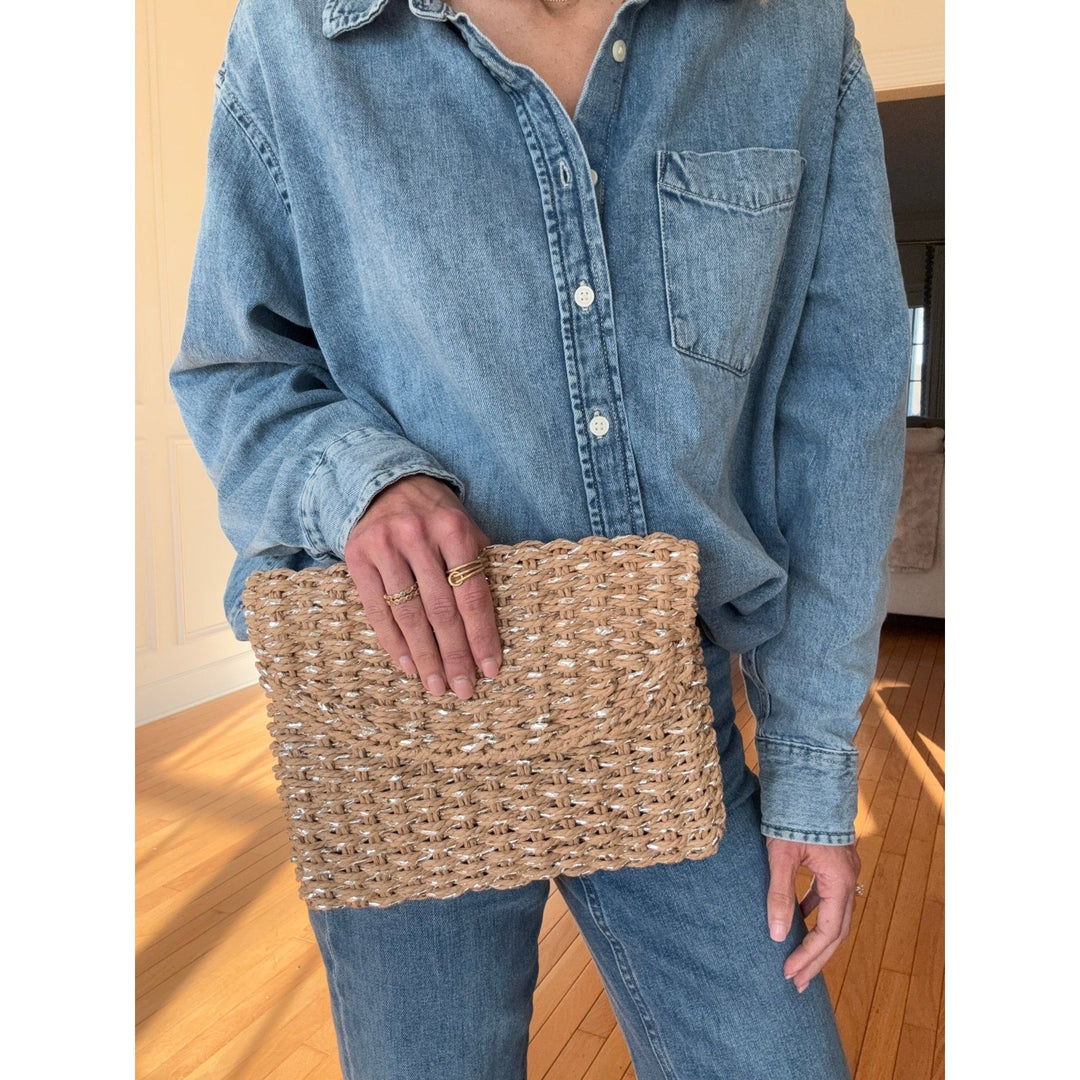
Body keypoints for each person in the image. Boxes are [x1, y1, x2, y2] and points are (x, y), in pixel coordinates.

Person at [169, 0, 909, 1076]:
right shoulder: (295, 38)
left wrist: (810, 766)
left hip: (662, 709)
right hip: (396, 712)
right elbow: (237, 371)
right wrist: (364, 484)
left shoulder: (787, 32)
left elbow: (839, 419)